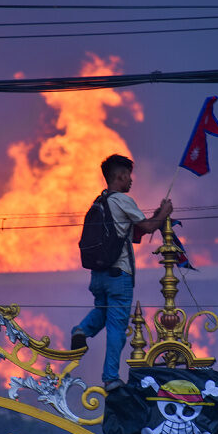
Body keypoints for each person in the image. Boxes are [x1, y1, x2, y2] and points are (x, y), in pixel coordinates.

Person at [72, 154, 173, 391]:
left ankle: (81, 330)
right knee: (117, 327)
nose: (131, 181)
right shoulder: (123, 200)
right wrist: (165, 213)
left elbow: (134, 233)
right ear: (120, 175)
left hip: (98, 275)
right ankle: (110, 379)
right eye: (128, 176)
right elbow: (147, 227)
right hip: (120, 275)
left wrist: (157, 215)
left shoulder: (101, 201)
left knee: (101, 311)